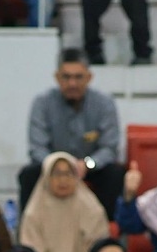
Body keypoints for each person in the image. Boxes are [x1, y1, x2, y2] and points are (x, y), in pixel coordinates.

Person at [19, 51, 125, 214]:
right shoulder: (42, 103)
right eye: (66, 77)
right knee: (29, 174)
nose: (72, 83)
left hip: (90, 168)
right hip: (52, 168)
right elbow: (37, 148)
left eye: (78, 77)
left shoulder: (104, 103)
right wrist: (60, 166)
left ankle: (107, 231)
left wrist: (88, 164)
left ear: (89, 77)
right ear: (57, 77)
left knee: (114, 174)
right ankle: (28, 234)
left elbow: (109, 148)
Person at [16, 151, 111, 252]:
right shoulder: (34, 212)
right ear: (47, 177)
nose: (63, 180)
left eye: (69, 174)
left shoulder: (92, 209)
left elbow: (98, 246)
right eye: (57, 174)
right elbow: (30, 249)